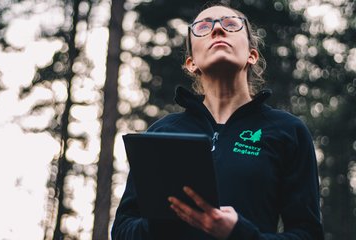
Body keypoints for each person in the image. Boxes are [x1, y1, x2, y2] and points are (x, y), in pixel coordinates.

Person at [111, 2, 324, 240]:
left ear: (252, 55)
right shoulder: (163, 132)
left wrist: (239, 234)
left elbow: (308, 234)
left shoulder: (288, 131)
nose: (217, 30)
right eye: (202, 27)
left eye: (231, 24)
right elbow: (121, 231)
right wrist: (168, 222)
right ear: (191, 63)